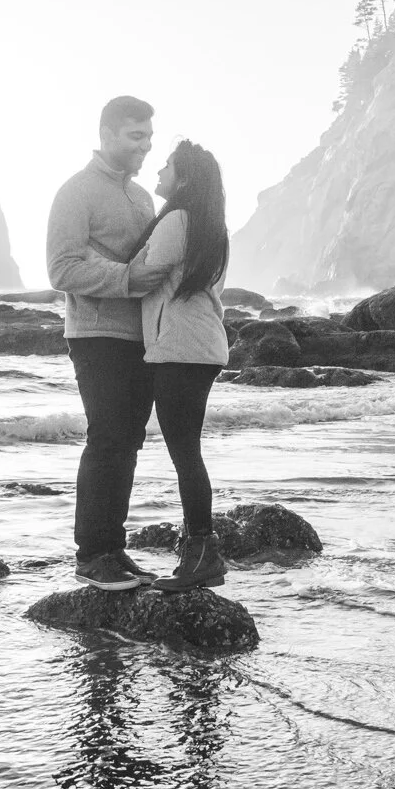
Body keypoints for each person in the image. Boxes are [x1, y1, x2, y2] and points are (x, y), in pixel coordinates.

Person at [46, 96, 171, 590]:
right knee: (107, 438)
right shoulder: (75, 192)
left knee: (128, 441)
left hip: (142, 336)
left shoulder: (143, 197)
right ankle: (91, 555)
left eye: (148, 137)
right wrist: (127, 278)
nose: (145, 146)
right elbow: (61, 267)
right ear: (107, 135)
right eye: (135, 136)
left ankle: (113, 549)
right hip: (95, 334)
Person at [129, 140, 231, 591]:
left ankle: (203, 553)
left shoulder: (176, 220)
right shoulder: (212, 226)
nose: (158, 172)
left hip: (180, 349)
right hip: (200, 348)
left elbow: (141, 276)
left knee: (185, 454)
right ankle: (199, 549)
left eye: (167, 166)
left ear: (184, 178)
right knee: (187, 452)